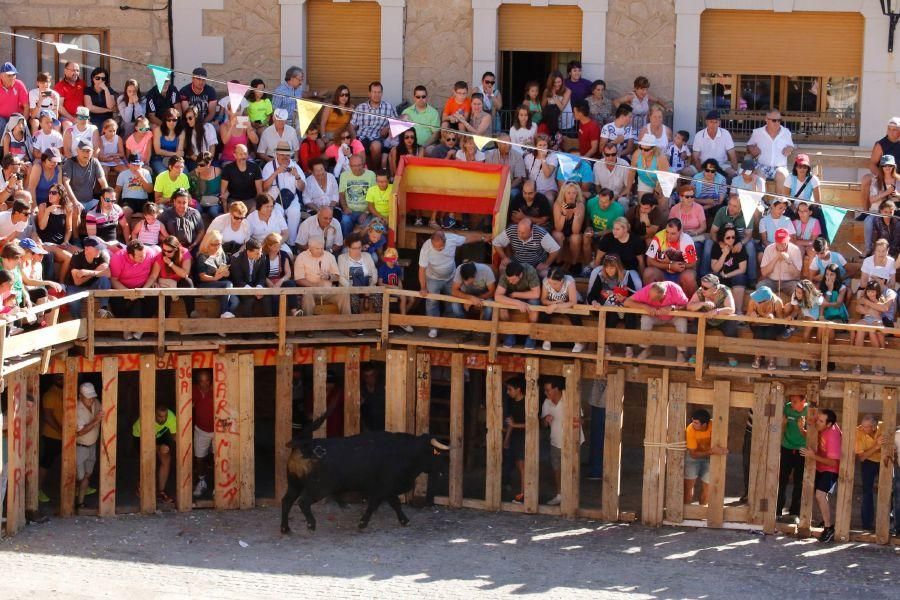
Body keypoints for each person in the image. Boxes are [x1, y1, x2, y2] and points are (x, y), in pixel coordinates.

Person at [418, 229, 488, 337]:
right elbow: (422, 269)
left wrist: (483, 238)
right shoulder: (426, 248)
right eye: (435, 247)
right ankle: (433, 328)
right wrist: (423, 287)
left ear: (445, 241)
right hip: (433, 278)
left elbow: (467, 238)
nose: (438, 249)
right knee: (432, 302)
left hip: (451, 277)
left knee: (452, 300)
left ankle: (449, 324)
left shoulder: (451, 238)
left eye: (440, 247)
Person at [799, 408, 841, 543]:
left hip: (831, 468)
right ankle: (825, 520)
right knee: (820, 496)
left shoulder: (833, 435)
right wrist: (801, 429)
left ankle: (829, 528)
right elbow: (811, 437)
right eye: (818, 418)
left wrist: (813, 456)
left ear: (829, 424)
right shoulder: (822, 428)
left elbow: (833, 462)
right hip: (820, 466)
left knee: (820, 495)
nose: (817, 422)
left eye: (821, 421)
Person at [540, 377, 584, 506]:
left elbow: (581, 419)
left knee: (571, 469)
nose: (546, 393)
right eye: (545, 390)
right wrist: (545, 420)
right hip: (555, 442)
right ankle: (560, 495)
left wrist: (573, 423)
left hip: (572, 441)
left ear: (556, 389)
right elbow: (543, 424)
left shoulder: (570, 400)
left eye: (548, 390)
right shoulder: (547, 403)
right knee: (557, 469)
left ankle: (572, 497)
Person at [587, 253, 640, 358]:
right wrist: (594, 302)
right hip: (608, 308)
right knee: (611, 314)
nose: (609, 270)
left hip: (624, 307)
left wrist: (624, 297)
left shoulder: (626, 276)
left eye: (612, 268)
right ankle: (606, 345)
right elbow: (591, 295)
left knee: (630, 315)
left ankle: (629, 347)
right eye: (606, 267)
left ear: (618, 267)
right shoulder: (601, 276)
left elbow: (634, 295)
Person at [624, 280, 689, 362]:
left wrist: (673, 307)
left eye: (655, 298)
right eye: (650, 296)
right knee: (645, 319)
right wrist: (644, 306)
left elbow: (686, 305)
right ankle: (646, 349)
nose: (651, 299)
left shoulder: (675, 289)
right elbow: (627, 302)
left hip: (673, 317)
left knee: (682, 321)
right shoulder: (647, 290)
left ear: (664, 295)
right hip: (655, 316)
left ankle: (681, 352)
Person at [109, 239, 160, 340]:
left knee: (155, 298)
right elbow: (113, 280)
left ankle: (141, 328)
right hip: (123, 287)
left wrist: (145, 289)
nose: (143, 257)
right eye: (140, 256)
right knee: (115, 300)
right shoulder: (118, 258)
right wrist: (127, 293)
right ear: (130, 255)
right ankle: (125, 329)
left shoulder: (149, 252)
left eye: (144, 254)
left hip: (143, 285)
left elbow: (154, 273)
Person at [686, 273, 738, 365]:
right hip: (706, 319)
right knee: (694, 328)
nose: (702, 289)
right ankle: (694, 355)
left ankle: (731, 357)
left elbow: (731, 309)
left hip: (722, 320)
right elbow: (689, 306)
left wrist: (716, 311)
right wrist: (702, 304)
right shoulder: (700, 291)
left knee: (731, 329)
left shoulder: (725, 291)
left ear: (715, 288)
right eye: (701, 286)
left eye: (705, 288)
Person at [293, 234, 350, 318]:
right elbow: (299, 279)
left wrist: (329, 277)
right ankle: (308, 326)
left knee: (344, 293)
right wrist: (314, 285)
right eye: (317, 248)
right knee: (307, 295)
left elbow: (337, 276)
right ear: (310, 247)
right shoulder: (301, 257)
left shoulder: (330, 256)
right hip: (311, 291)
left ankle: (346, 325)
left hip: (328, 291)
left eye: (322, 248)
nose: (320, 251)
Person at [131, 404, 178, 504]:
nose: (163, 419)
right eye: (160, 416)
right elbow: (146, 446)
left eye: (165, 416)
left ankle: (161, 492)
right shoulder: (145, 420)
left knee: (166, 458)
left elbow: (175, 435)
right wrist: (158, 448)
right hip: (140, 436)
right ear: (154, 414)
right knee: (148, 459)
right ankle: (141, 486)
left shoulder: (171, 417)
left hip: (159, 434)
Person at [260, 141, 305, 244]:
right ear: (276, 154)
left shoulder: (295, 166)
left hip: (291, 199)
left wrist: (297, 176)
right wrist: (276, 173)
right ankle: (278, 243)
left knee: (295, 212)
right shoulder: (269, 166)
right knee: (276, 213)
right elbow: (264, 188)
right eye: (282, 155)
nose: (285, 157)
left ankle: (292, 243)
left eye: (287, 155)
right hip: (273, 200)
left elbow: (302, 188)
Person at [705, 192, 755, 284]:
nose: (730, 208)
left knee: (750, 246)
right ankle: (704, 274)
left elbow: (748, 235)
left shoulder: (747, 214)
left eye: (734, 206)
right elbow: (713, 232)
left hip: (740, 240)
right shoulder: (722, 211)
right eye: (729, 204)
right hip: (722, 239)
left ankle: (752, 279)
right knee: (708, 243)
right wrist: (720, 243)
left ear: (741, 208)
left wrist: (741, 243)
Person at [643, 217, 698, 297]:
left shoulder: (687, 240)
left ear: (680, 232)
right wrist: (670, 265)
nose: (669, 236)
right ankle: (652, 301)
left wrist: (673, 264)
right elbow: (649, 261)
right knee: (648, 273)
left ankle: (687, 304)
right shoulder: (658, 237)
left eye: (673, 233)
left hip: (681, 272)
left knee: (689, 276)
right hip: (663, 272)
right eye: (667, 232)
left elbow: (693, 263)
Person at [775, 394, 809, 524]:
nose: (792, 404)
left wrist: (801, 429)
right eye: (791, 401)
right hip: (787, 447)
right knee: (782, 480)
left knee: (799, 482)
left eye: (795, 402)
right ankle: (777, 511)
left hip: (802, 450)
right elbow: (780, 429)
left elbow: (811, 437)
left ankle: (794, 513)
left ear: (803, 401)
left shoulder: (809, 411)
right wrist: (783, 424)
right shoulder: (786, 408)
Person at [684, 409, 727, 506]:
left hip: (710, 458)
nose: (692, 424)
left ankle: (701, 514)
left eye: (696, 423)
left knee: (707, 488)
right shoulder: (690, 429)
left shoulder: (714, 426)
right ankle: (686, 514)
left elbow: (725, 438)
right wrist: (712, 451)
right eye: (692, 421)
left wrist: (723, 449)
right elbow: (693, 454)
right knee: (688, 487)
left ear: (704, 425)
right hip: (693, 458)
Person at [494, 261, 541, 349]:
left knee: (535, 302)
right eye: (509, 279)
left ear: (520, 275)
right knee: (500, 304)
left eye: (513, 279)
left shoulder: (530, 271)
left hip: (526, 297)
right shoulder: (506, 273)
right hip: (512, 299)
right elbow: (497, 296)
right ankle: (509, 333)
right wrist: (517, 302)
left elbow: (536, 294)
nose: (510, 282)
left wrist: (516, 294)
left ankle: (531, 335)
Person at [350, 81, 396, 170]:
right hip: (362, 137)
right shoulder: (361, 107)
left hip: (378, 138)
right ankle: (364, 174)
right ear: (369, 93)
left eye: (379, 92)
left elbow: (397, 122)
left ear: (382, 93)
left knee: (376, 146)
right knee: (359, 147)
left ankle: (375, 171)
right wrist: (354, 139)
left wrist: (388, 127)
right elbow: (351, 125)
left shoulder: (388, 107)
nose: (376, 94)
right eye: (374, 92)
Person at [492, 217, 560, 278]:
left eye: (523, 233)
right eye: (519, 231)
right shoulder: (512, 230)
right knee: (502, 267)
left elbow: (555, 249)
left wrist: (546, 264)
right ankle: (504, 288)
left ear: (531, 231)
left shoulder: (540, 233)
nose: (519, 234)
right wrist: (504, 258)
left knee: (546, 274)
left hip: (536, 264)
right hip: (516, 262)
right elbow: (496, 242)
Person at [538, 267, 585, 353]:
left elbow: (573, 302)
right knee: (544, 314)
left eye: (555, 283)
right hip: (555, 303)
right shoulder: (545, 281)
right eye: (550, 283)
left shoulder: (569, 281)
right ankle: (546, 339)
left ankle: (579, 342)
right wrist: (555, 303)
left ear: (562, 281)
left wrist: (556, 305)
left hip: (571, 304)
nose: (551, 285)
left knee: (575, 315)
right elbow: (543, 300)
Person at [851, 280, 893, 376]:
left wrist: (869, 306)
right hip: (867, 319)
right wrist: (870, 310)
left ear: (877, 292)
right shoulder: (864, 298)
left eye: (873, 291)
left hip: (876, 321)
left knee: (874, 331)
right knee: (859, 329)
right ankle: (857, 364)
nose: (871, 294)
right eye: (869, 291)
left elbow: (882, 308)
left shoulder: (881, 298)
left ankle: (879, 364)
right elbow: (858, 308)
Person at [746, 109, 794, 190]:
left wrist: (789, 149)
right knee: (758, 177)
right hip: (762, 166)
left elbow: (791, 146)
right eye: (774, 120)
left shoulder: (786, 132)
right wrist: (752, 149)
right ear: (766, 120)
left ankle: (779, 201)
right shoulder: (757, 132)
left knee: (782, 174)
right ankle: (760, 201)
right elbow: (749, 145)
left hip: (780, 167)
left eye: (779, 120)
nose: (777, 123)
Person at [65, 236, 112, 319]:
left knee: (104, 280)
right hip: (75, 287)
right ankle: (78, 323)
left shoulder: (102, 255)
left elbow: (108, 273)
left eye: (100, 248)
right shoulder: (76, 257)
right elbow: (77, 282)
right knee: (73, 302)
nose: (99, 250)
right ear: (86, 249)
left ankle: (103, 308)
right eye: (96, 248)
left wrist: (87, 272)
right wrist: (97, 272)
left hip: (93, 285)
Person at [194, 229, 237, 318]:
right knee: (228, 284)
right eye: (214, 244)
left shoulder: (221, 254)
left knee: (235, 301)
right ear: (207, 243)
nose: (217, 247)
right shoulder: (202, 256)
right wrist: (215, 278)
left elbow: (227, 272)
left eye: (219, 244)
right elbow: (202, 277)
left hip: (222, 286)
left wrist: (226, 273)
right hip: (206, 286)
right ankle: (224, 312)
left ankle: (223, 323)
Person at [338, 232, 381, 317]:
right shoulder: (342, 258)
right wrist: (353, 288)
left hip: (367, 286)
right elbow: (341, 277)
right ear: (348, 248)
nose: (357, 251)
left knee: (377, 293)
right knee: (353, 296)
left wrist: (369, 287)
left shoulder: (367, 256)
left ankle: (380, 322)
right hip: (350, 287)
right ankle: (357, 323)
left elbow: (374, 272)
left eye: (359, 248)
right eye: (354, 248)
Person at [75, 382, 102, 511]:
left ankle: (80, 503)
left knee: (87, 474)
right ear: (80, 396)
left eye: (92, 396)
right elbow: (80, 432)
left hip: (92, 445)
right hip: (80, 447)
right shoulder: (76, 409)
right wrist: (96, 420)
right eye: (88, 397)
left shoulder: (96, 402)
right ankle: (75, 501)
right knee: (79, 477)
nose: (91, 399)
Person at [708, 224, 748, 313]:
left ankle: (738, 312)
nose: (731, 240)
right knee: (713, 277)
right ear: (722, 237)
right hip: (720, 276)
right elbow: (715, 269)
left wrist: (726, 275)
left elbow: (742, 269)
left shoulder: (739, 247)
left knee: (740, 277)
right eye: (728, 237)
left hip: (733, 276)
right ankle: (714, 311)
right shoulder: (716, 247)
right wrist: (724, 254)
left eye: (733, 237)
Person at [37, 374, 64, 503]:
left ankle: (77, 486)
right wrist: (61, 430)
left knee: (74, 460)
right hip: (52, 436)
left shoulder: (65, 391)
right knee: (46, 463)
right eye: (58, 376)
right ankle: (37, 490)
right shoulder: (50, 395)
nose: (61, 379)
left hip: (64, 435)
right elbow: (48, 417)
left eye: (62, 376)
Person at [854, 415, 883, 532]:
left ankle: (889, 523)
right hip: (868, 462)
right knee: (867, 491)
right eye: (863, 425)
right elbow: (862, 457)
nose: (863, 428)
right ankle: (867, 524)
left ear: (874, 426)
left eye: (867, 427)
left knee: (889, 490)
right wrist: (876, 446)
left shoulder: (884, 427)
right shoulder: (858, 431)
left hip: (884, 461)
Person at [746, 285, 785, 371]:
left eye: (759, 301)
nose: (756, 301)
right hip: (757, 324)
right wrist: (751, 316)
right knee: (759, 333)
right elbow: (747, 317)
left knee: (769, 333)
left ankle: (772, 359)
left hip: (774, 326)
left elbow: (781, 321)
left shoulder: (777, 302)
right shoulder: (753, 300)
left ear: (766, 300)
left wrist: (773, 318)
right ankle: (758, 357)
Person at [550, 182, 587, 269]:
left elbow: (576, 231)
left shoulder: (580, 205)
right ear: (564, 193)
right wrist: (563, 213)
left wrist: (576, 215)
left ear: (577, 194)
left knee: (576, 237)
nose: (571, 196)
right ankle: (558, 262)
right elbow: (558, 228)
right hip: (560, 231)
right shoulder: (558, 204)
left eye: (574, 193)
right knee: (557, 235)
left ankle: (574, 263)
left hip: (573, 232)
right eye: (569, 193)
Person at [62, 140, 107, 211]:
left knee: (106, 209)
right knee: (74, 211)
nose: (86, 153)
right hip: (73, 202)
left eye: (88, 151)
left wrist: (106, 200)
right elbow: (66, 183)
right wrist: (74, 201)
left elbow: (103, 183)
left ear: (92, 152)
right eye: (83, 150)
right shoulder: (70, 162)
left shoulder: (95, 162)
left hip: (91, 202)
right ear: (77, 150)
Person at [692, 110, 738, 177]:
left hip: (721, 165)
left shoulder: (725, 134)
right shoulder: (699, 135)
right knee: (685, 172)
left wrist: (735, 170)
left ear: (719, 123)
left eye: (716, 122)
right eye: (711, 122)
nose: (713, 124)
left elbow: (732, 154)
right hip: (703, 165)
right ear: (706, 122)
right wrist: (702, 172)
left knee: (733, 174)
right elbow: (696, 157)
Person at [504, 375, 528, 504]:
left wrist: (514, 426)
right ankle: (523, 493)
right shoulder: (512, 402)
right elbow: (511, 422)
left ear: (518, 389)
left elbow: (532, 423)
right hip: (516, 437)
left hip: (526, 437)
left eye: (510, 389)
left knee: (523, 467)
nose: (508, 392)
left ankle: (524, 495)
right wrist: (507, 439)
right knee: (520, 466)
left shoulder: (528, 402)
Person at [191, 370, 215, 498]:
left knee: (218, 458)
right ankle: (202, 482)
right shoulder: (193, 390)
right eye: (201, 381)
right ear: (198, 382)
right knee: (200, 458)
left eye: (207, 380)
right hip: (200, 429)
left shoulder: (217, 387)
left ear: (210, 380)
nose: (204, 384)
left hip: (218, 429)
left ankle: (219, 485)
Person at [758, 228, 802, 295]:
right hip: (771, 281)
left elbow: (797, 274)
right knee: (760, 287)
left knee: (799, 290)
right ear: (775, 240)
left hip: (790, 282)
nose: (781, 244)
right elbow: (764, 273)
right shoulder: (768, 249)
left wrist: (788, 261)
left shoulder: (795, 250)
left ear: (788, 240)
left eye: (783, 242)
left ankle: (794, 305)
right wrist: (776, 258)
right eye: (779, 242)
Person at [451, 260, 496, 325]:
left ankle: (482, 328)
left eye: (469, 282)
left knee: (489, 307)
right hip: (465, 296)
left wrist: (477, 299)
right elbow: (454, 291)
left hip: (483, 296)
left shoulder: (486, 270)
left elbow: (492, 292)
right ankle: (464, 326)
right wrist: (470, 298)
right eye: (464, 281)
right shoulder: (459, 269)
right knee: (455, 305)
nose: (466, 284)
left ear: (474, 275)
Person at [221, 144, 263, 211]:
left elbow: (259, 190)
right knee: (237, 214)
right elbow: (223, 192)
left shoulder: (255, 167)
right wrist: (225, 210)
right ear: (235, 155)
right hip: (234, 201)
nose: (243, 156)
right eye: (241, 154)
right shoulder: (228, 168)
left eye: (245, 154)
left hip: (251, 200)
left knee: (254, 213)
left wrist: (258, 205)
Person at [115, 154, 154, 218]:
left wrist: (141, 177)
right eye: (134, 165)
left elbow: (150, 190)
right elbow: (117, 191)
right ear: (129, 164)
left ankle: (136, 216)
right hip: (128, 200)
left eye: (138, 165)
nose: (136, 167)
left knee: (151, 213)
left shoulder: (146, 172)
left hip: (143, 200)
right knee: (125, 212)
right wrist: (114, 205)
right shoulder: (123, 174)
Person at [150, 107, 184, 175]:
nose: (171, 122)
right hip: (158, 159)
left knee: (184, 173)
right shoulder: (158, 130)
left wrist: (176, 155)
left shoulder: (181, 132)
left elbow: (179, 152)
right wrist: (174, 154)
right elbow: (158, 151)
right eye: (169, 120)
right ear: (165, 120)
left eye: (174, 120)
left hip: (174, 159)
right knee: (164, 174)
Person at [0, 62, 29, 135]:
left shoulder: (19, 84)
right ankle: (2, 146)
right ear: (1, 76)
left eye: (14, 75)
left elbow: (26, 106)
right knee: (1, 123)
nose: (12, 77)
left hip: (16, 117)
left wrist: (24, 122)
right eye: (9, 75)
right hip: (1, 118)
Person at [54, 61, 85, 126]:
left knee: (91, 127)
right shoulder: (60, 86)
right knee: (68, 125)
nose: (76, 73)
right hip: (66, 117)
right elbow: (59, 107)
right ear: (65, 71)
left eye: (77, 70)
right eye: (73, 70)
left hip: (82, 115)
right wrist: (72, 119)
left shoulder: (82, 84)